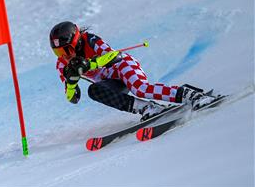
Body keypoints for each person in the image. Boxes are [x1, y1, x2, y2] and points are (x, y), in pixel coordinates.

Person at [49, 21, 215, 121]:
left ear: (77, 41)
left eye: (67, 50)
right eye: (58, 53)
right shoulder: (62, 65)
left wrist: (88, 64)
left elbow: (113, 56)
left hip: (122, 66)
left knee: (140, 89)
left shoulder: (90, 40)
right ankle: (147, 108)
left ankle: (191, 95)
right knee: (94, 91)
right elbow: (73, 99)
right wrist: (71, 83)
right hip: (111, 81)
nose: (65, 56)